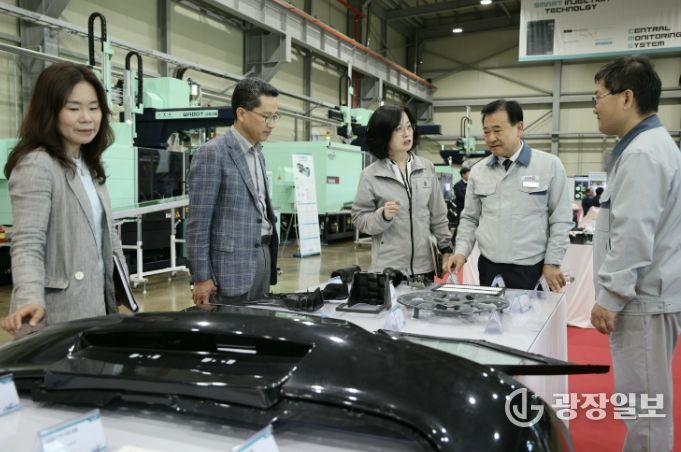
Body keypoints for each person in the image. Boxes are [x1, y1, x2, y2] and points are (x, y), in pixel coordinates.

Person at [590, 56, 681, 452]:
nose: (595, 106)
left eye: (598, 97)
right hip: (647, 297)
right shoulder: (649, 147)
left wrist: (610, 295)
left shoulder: (643, 153)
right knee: (643, 406)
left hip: (641, 300)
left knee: (644, 410)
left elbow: (633, 234)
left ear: (626, 98)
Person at [1, 62, 127, 334]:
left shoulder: (89, 164)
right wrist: (29, 298)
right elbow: (28, 242)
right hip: (55, 313)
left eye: (93, 107)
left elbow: (107, 235)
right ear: (50, 111)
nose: (87, 118)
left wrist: (120, 286)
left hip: (96, 304)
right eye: (73, 108)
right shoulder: (37, 164)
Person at [451, 100, 573, 291]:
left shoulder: (549, 166)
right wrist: (461, 252)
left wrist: (552, 262)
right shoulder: (479, 171)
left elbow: (561, 219)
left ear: (519, 128)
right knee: (489, 311)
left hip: (531, 269)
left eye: (497, 130)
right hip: (489, 267)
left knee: (532, 312)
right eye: (486, 132)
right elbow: (470, 218)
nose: (491, 138)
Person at [187, 77, 279, 304]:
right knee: (231, 324)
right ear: (241, 114)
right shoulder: (213, 153)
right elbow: (199, 222)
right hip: (228, 270)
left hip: (262, 258)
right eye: (266, 116)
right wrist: (201, 277)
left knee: (258, 321)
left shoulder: (258, 154)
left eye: (275, 117)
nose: (271, 124)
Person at [351, 104, 453, 281]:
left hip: (424, 268)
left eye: (409, 126)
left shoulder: (426, 167)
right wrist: (382, 216)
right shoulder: (370, 175)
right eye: (398, 129)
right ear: (384, 134)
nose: (407, 133)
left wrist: (446, 248)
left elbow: (438, 214)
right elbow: (359, 219)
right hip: (389, 269)